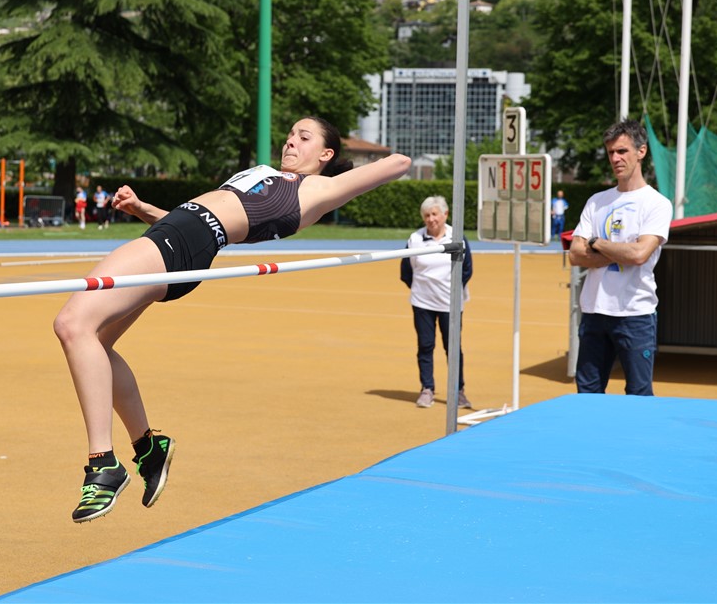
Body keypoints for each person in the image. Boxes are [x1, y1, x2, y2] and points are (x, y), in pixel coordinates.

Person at [53, 116, 411, 523]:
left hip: (179, 243)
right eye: (290, 135)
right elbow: (205, 221)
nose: (290, 142)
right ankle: (149, 448)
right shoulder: (270, 175)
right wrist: (144, 209)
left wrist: (343, 178)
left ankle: (103, 465)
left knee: (72, 325)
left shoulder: (317, 189)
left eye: (304, 137)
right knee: (96, 342)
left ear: (326, 154)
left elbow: (399, 162)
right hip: (176, 237)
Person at [568, 118, 672, 396]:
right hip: (594, 312)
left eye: (622, 151)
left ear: (641, 151)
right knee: (587, 394)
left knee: (638, 394)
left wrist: (596, 243)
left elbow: (638, 254)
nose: (615, 158)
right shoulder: (596, 201)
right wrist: (618, 252)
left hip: (635, 314)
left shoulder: (657, 204)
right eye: (611, 152)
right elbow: (575, 255)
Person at [400, 196, 473, 410]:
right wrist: (422, 290)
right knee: (425, 345)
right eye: (427, 215)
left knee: (453, 347)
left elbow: (467, 269)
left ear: (445, 215)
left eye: (434, 214)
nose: (431, 219)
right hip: (422, 302)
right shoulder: (415, 239)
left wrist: (452, 291)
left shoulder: (457, 237)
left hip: (451, 303)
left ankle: (458, 391)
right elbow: (406, 271)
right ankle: (427, 389)